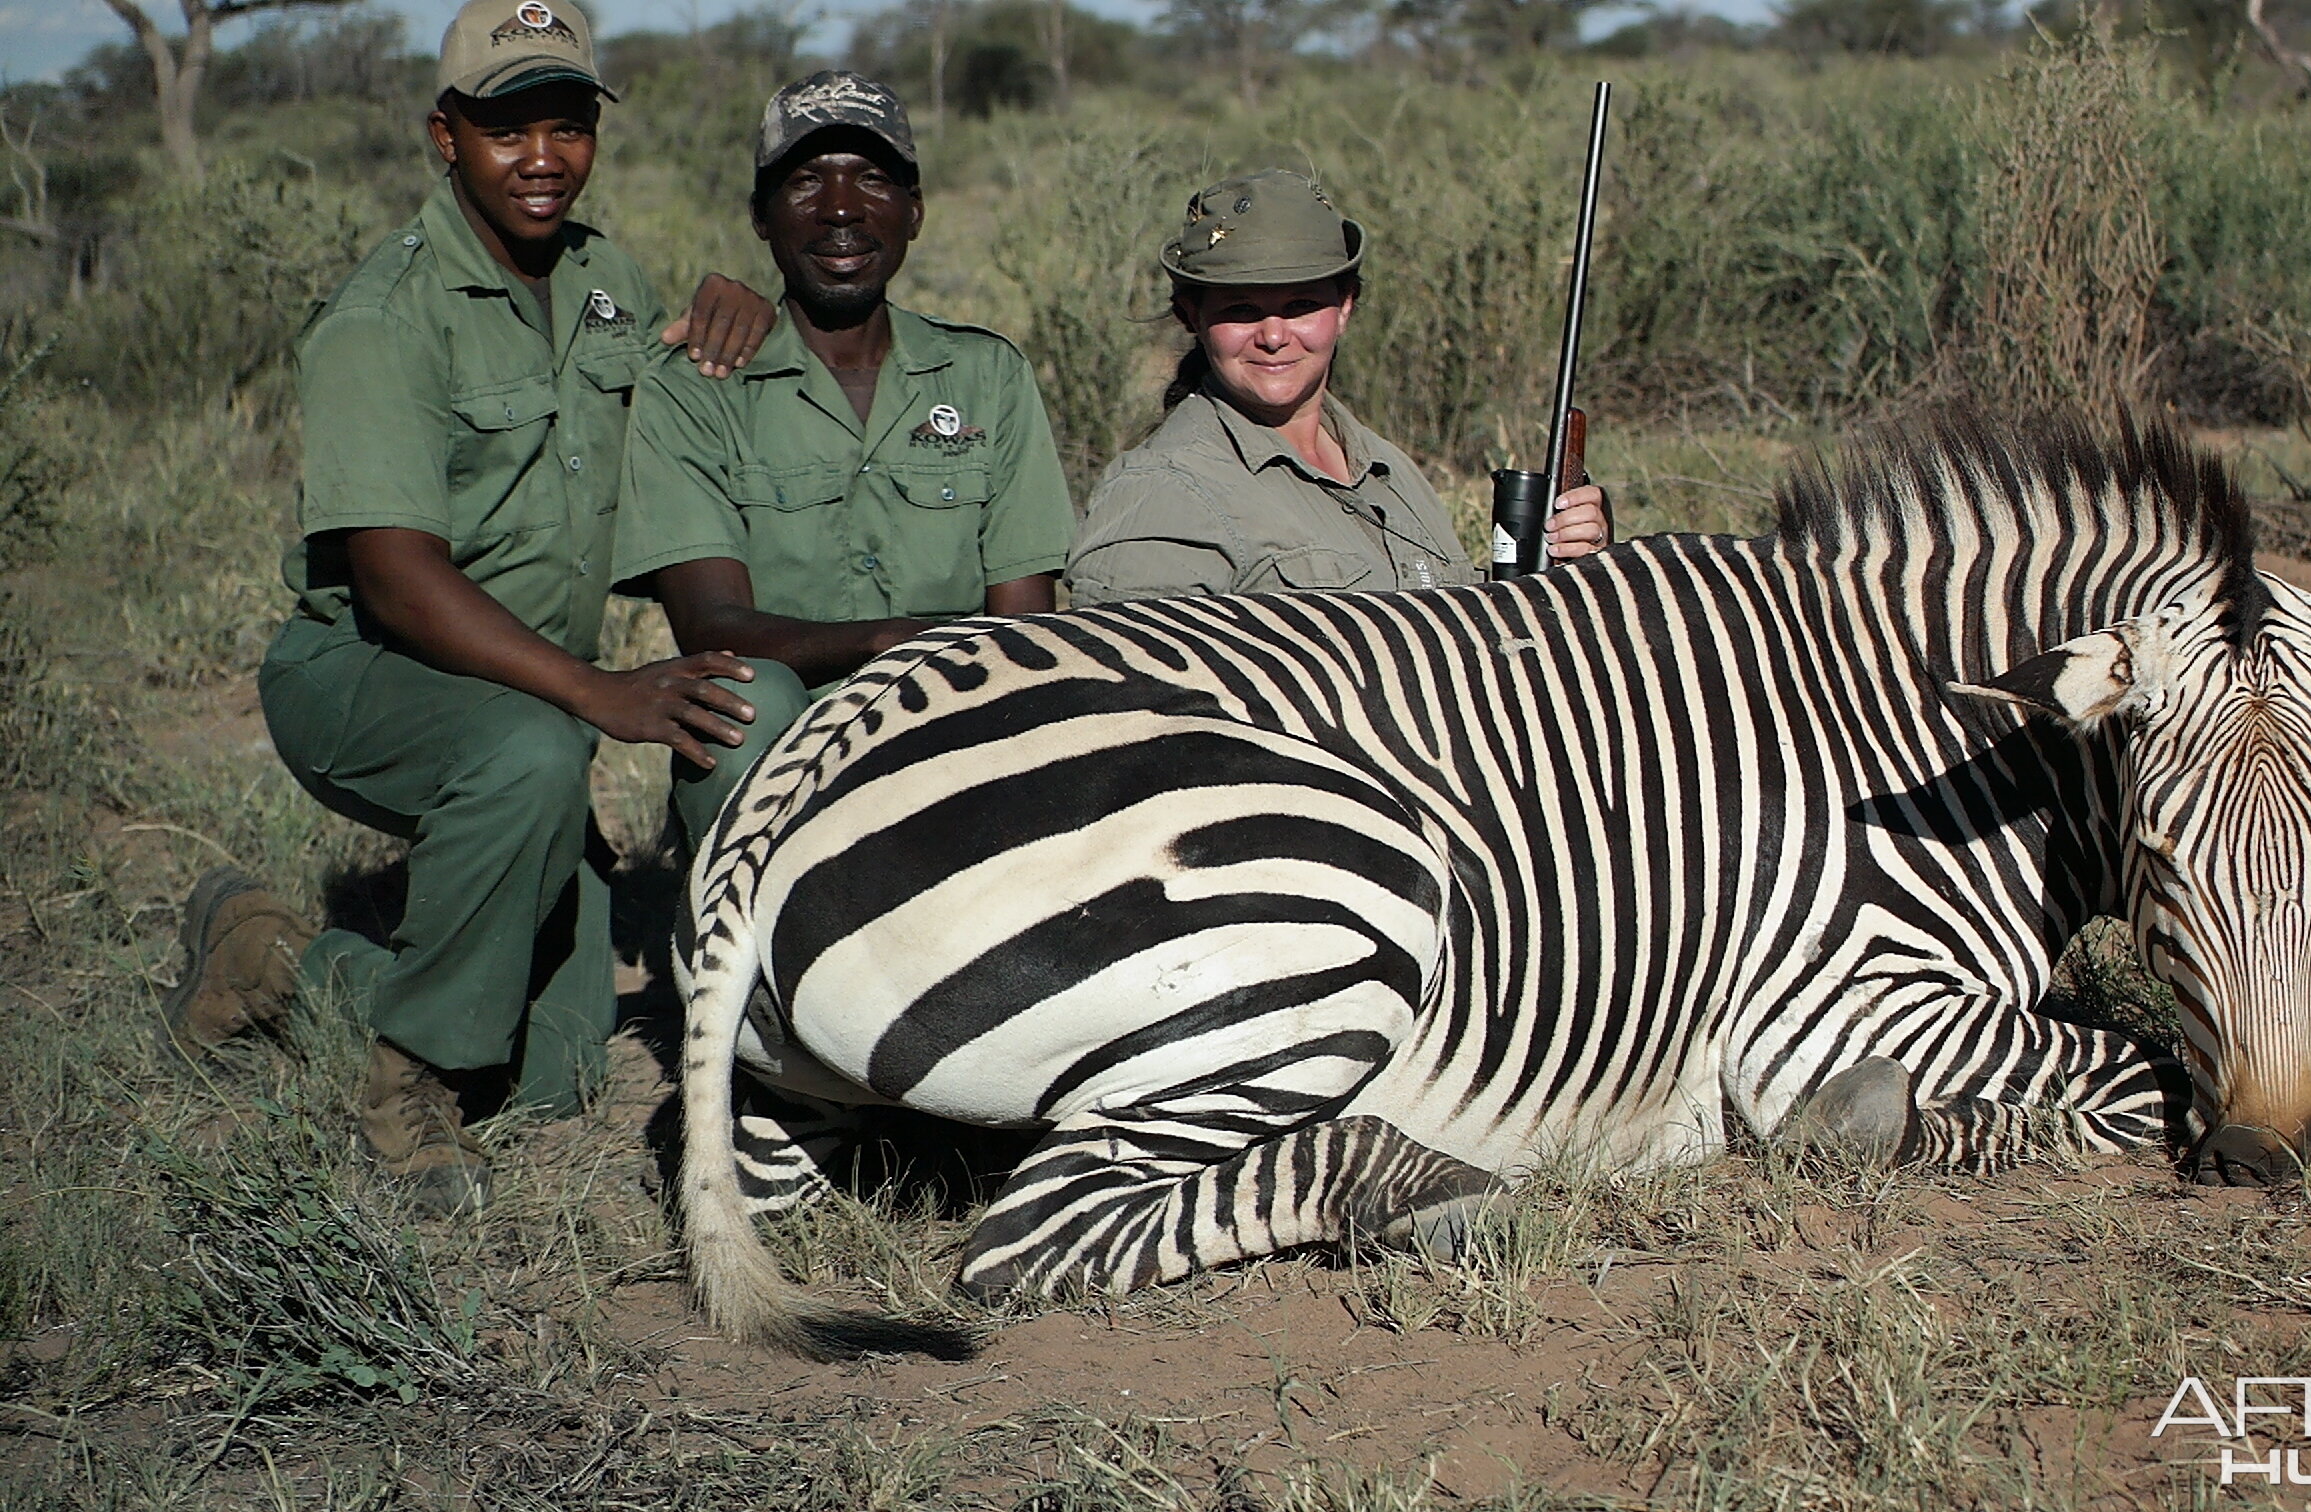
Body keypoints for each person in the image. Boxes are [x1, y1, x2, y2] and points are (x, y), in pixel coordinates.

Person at [166, 0, 784, 1216]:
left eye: (567, 126)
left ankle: (279, 962)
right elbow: (395, 578)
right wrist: (599, 695)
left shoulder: (610, 279)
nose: (542, 158)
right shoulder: (383, 318)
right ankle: (405, 1092)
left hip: (523, 697)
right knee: (530, 751)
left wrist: (739, 319)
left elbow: (666, 446)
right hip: (364, 671)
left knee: (554, 1072)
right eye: (507, 130)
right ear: (443, 138)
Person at [616, 71, 1071, 851]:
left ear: (914, 210)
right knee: (739, 701)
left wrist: (927, 672)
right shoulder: (695, 387)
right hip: (789, 745)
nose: (840, 211)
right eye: (805, 181)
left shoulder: (988, 376)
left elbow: (1024, 621)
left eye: (871, 178)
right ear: (761, 217)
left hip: (958, 718)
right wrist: (878, 644)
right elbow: (709, 624)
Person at [1065, 169, 1609, 606]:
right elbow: (1136, 714)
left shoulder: (1389, 470)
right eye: (1241, 310)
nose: (1274, 336)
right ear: (1190, 316)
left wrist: (1567, 563)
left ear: (1345, 308)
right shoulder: (1159, 496)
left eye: (1301, 306)